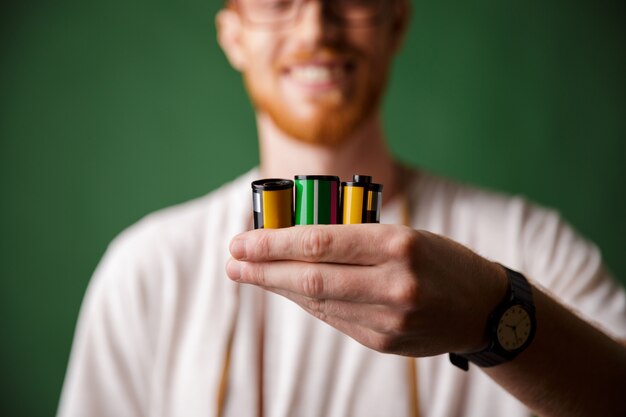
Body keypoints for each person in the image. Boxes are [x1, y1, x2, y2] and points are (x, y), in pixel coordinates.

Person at [58, 0, 626, 416]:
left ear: (396, 21)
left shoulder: (529, 244)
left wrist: (490, 313)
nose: (315, 27)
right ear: (233, 37)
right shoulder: (144, 270)